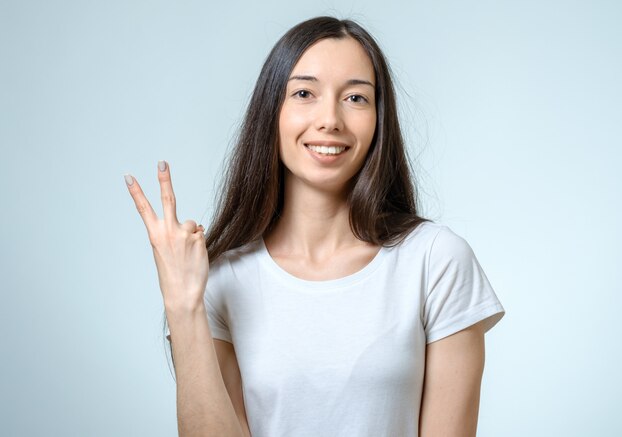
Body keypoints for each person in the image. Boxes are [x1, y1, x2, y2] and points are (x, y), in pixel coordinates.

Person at [124, 16, 505, 437]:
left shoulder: (436, 261)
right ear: (272, 111)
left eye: (356, 98)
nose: (330, 119)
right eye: (304, 93)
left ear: (379, 119)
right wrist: (183, 306)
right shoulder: (220, 279)